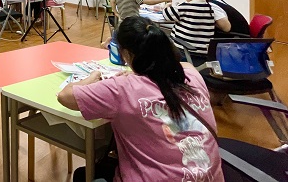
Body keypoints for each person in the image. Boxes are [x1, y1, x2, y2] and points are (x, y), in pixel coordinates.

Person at [57, 16, 223, 182]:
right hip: (210, 176)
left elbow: (65, 96)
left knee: (83, 174)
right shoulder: (192, 76)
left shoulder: (122, 88)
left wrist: (93, 77)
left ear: (126, 54)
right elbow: (185, 66)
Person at [162, 0, 216, 67]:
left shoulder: (186, 7)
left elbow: (167, 15)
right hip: (203, 52)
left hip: (184, 50)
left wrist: (166, 6)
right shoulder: (209, 8)